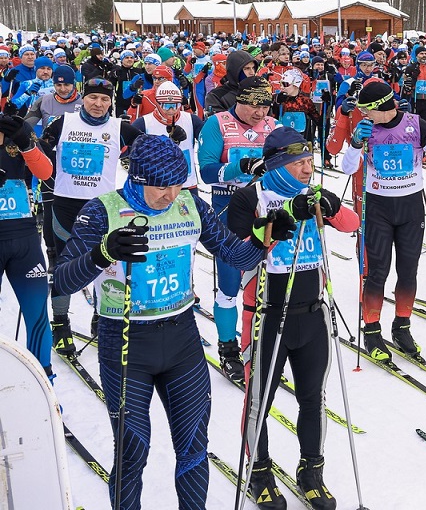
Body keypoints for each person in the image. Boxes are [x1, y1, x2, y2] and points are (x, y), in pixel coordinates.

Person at [52, 134, 280, 510]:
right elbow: (61, 281)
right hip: (125, 344)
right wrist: (103, 253)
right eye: (161, 186)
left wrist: (262, 237)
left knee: (193, 448)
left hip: (181, 341)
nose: (170, 195)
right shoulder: (103, 211)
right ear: (137, 178)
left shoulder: (190, 203)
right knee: (132, 451)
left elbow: (236, 256)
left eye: (177, 184)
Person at [228, 127, 359, 509]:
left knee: (313, 398)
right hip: (265, 316)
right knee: (259, 400)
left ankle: (311, 471)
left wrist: (332, 206)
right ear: (276, 164)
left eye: (309, 161)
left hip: (313, 313)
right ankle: (259, 473)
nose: (307, 169)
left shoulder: (311, 194)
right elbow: (235, 253)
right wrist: (279, 219)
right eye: (298, 163)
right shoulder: (249, 197)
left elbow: (351, 224)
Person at [342, 81, 426, 360]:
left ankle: (402, 327)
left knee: (408, 271)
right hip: (378, 207)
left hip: (410, 208)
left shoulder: (417, 125)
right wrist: (355, 144)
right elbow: (347, 168)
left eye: (367, 110)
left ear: (381, 107)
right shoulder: (366, 129)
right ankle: (371, 331)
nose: (363, 115)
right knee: (377, 271)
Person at [42, 79, 142, 354]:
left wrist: (171, 136)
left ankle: (101, 317)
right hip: (65, 206)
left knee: (104, 262)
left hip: (102, 208)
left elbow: (150, 150)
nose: (98, 104)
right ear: (83, 98)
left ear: (111, 102)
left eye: (105, 99)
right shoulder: (63, 123)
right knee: (63, 266)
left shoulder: (120, 127)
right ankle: (60, 323)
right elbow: (39, 153)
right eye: (93, 98)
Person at [197, 76, 276, 381]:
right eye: (254, 105)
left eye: (265, 106)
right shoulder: (217, 124)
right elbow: (206, 172)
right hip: (228, 207)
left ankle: (262, 342)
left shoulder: (272, 125)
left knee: (267, 282)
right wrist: (239, 167)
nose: (260, 113)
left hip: (264, 209)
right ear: (239, 100)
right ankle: (228, 348)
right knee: (230, 285)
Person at [0, 113, 54, 380]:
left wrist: (26, 144)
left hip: (24, 236)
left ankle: (43, 382)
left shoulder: (15, 126)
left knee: (37, 314)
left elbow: (46, 173)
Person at [131, 82, 203, 190]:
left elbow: (209, 143)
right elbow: (130, 153)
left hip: (187, 184)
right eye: (166, 106)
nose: (171, 110)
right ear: (157, 103)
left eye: (176, 105)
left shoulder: (192, 120)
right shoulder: (143, 123)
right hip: (157, 186)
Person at [204, 50, 257, 115]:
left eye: (253, 68)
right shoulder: (216, 96)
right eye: (247, 68)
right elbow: (217, 119)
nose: (252, 72)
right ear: (235, 71)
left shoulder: (259, 90)